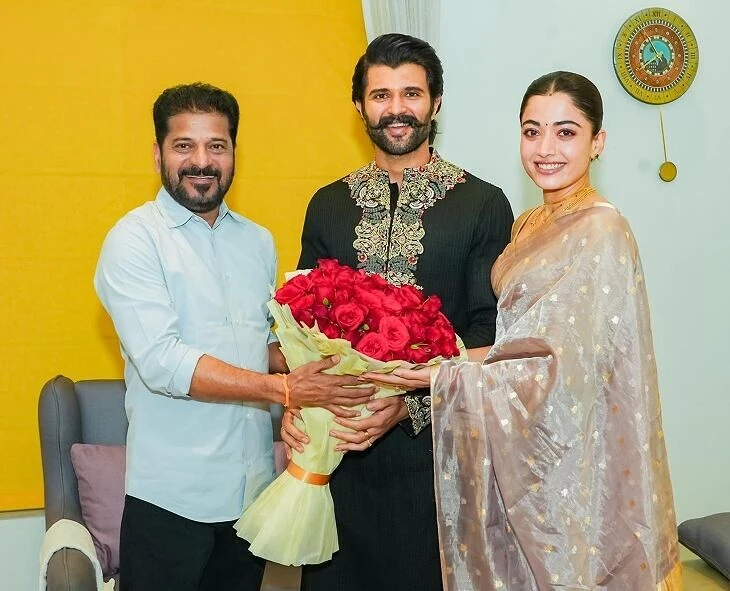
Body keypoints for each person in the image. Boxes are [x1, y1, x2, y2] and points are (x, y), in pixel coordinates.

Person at [370, 71, 682, 590]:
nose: (545, 149)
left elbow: (561, 367)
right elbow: (517, 344)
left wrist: (440, 375)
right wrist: (437, 360)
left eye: (566, 132)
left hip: (569, 447)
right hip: (521, 442)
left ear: (597, 142)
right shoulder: (528, 223)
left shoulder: (601, 228)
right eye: (532, 131)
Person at [94, 82, 375, 591]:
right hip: (170, 501)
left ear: (233, 153)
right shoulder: (134, 241)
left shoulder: (257, 242)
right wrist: (285, 390)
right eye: (185, 146)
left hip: (250, 495)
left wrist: (335, 358)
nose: (202, 161)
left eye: (216, 146)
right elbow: (163, 362)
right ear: (158, 154)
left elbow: (257, 347)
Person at [281, 34, 513, 591]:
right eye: (380, 95)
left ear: (436, 102)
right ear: (359, 106)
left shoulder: (482, 204)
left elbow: (491, 334)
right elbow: (300, 324)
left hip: (438, 460)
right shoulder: (328, 204)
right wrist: (298, 401)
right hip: (340, 449)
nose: (396, 109)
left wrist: (410, 404)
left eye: (411, 93)